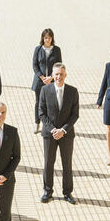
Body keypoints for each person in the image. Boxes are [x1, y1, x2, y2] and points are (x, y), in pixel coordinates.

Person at [38, 63, 79, 204]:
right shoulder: (45, 90)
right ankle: (47, 191)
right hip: (50, 134)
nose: (58, 77)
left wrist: (63, 130)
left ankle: (67, 193)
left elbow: (75, 115)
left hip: (66, 135)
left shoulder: (73, 91)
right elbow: (41, 113)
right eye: (56, 74)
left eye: (61, 74)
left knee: (67, 164)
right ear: (52, 75)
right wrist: (53, 129)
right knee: (48, 163)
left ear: (65, 75)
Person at [30, 29, 62, 134]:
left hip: (52, 81)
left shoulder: (57, 50)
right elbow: (35, 65)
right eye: (45, 38)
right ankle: (37, 123)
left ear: (52, 38)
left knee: (51, 103)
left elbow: (59, 65)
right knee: (38, 103)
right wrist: (42, 77)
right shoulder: (38, 49)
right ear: (43, 38)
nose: (47, 40)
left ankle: (49, 124)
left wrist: (51, 78)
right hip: (40, 82)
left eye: (49, 37)